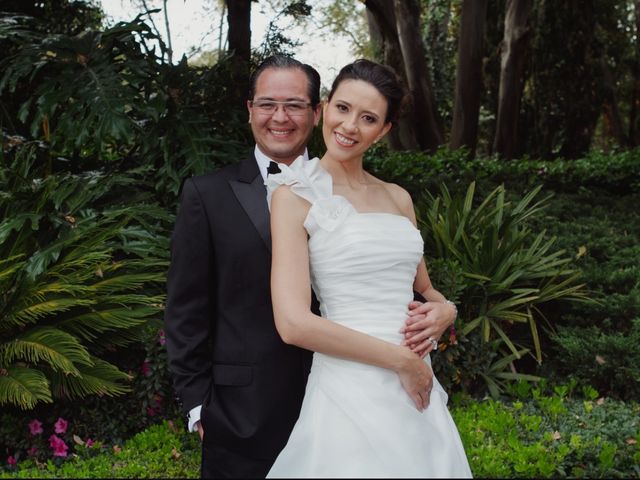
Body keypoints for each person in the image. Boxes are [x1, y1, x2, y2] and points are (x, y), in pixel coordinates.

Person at [164, 55, 454, 479]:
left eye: (295, 105)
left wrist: (446, 309)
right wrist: (199, 408)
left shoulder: (395, 197)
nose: (280, 117)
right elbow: (186, 310)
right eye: (267, 104)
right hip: (246, 413)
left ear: (314, 111)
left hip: (376, 390)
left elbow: (414, 289)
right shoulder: (209, 194)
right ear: (249, 110)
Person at [266, 59, 472, 478]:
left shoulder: (399, 198)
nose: (349, 126)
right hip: (350, 384)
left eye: (368, 118)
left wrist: (446, 310)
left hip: (415, 386)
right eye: (342, 109)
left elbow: (425, 288)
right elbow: (293, 324)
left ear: (385, 130)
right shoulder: (294, 195)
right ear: (324, 109)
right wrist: (401, 361)